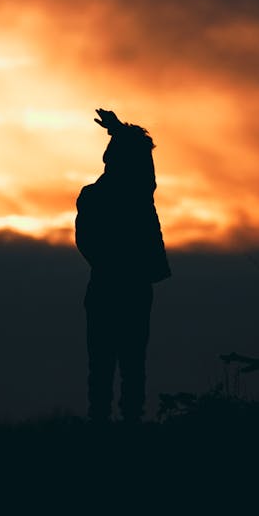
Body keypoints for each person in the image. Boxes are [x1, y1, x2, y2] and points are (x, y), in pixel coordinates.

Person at [75, 108, 170, 425]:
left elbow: (85, 243)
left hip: (106, 284)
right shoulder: (138, 194)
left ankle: (102, 422)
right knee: (131, 363)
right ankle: (128, 423)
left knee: (103, 365)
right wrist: (120, 130)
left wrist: (118, 131)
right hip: (129, 285)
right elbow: (144, 158)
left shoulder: (93, 196)